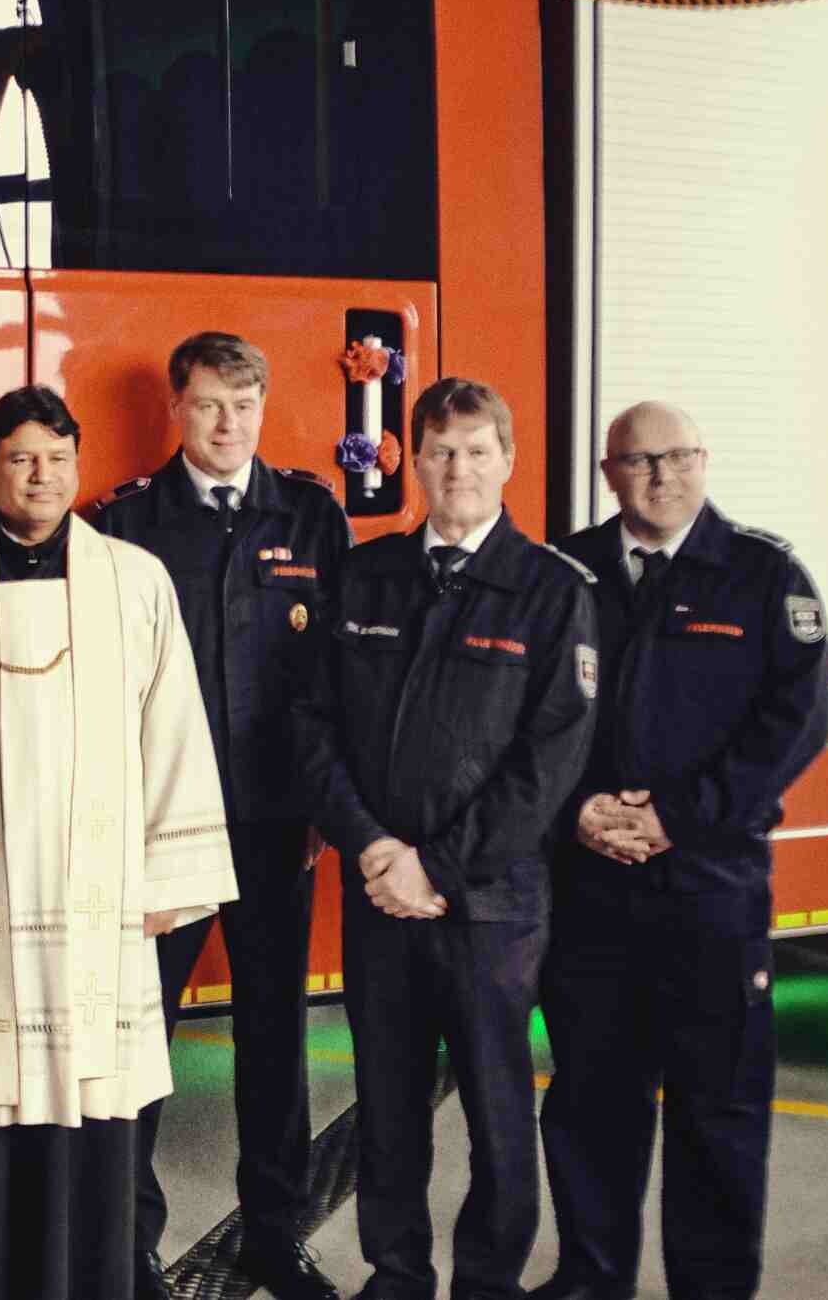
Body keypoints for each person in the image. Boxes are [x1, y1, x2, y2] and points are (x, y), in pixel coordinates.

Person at [0, 385, 237, 1300]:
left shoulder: (135, 579)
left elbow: (173, 724)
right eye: (20, 458)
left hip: (102, 892)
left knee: (96, 1097)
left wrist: (169, 874)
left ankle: (99, 1276)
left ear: (78, 465)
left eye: (56, 457)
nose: (40, 475)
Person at [289, 377, 597, 1300]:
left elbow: (550, 760)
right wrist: (371, 847)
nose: (458, 468)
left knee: (498, 1116)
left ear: (507, 460)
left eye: (476, 450)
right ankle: (397, 1275)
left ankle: (489, 1284)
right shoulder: (367, 576)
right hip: (381, 895)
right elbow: (311, 724)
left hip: (492, 908)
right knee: (386, 1111)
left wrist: (439, 868)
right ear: (414, 463)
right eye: (440, 451)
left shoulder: (550, 591)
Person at [529, 403, 828, 1300]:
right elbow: (524, 710)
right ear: (607, 473)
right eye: (638, 461)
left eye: (677, 457)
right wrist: (576, 810)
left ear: (703, 459)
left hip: (710, 886)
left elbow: (794, 724)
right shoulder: (564, 572)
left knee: (718, 1109)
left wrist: (677, 818)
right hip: (590, 887)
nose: (661, 476)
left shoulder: (763, 576)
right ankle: (591, 1279)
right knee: (590, 1101)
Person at [94, 332, 351, 1300]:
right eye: (207, 403)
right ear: (175, 408)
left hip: (277, 822)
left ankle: (274, 1233)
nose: (226, 423)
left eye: (243, 405)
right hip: (162, 824)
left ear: (263, 408)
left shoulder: (311, 516)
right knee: (139, 1034)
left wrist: (326, 803)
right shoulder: (125, 521)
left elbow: (338, 672)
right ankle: (128, 1244)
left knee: (275, 1035)